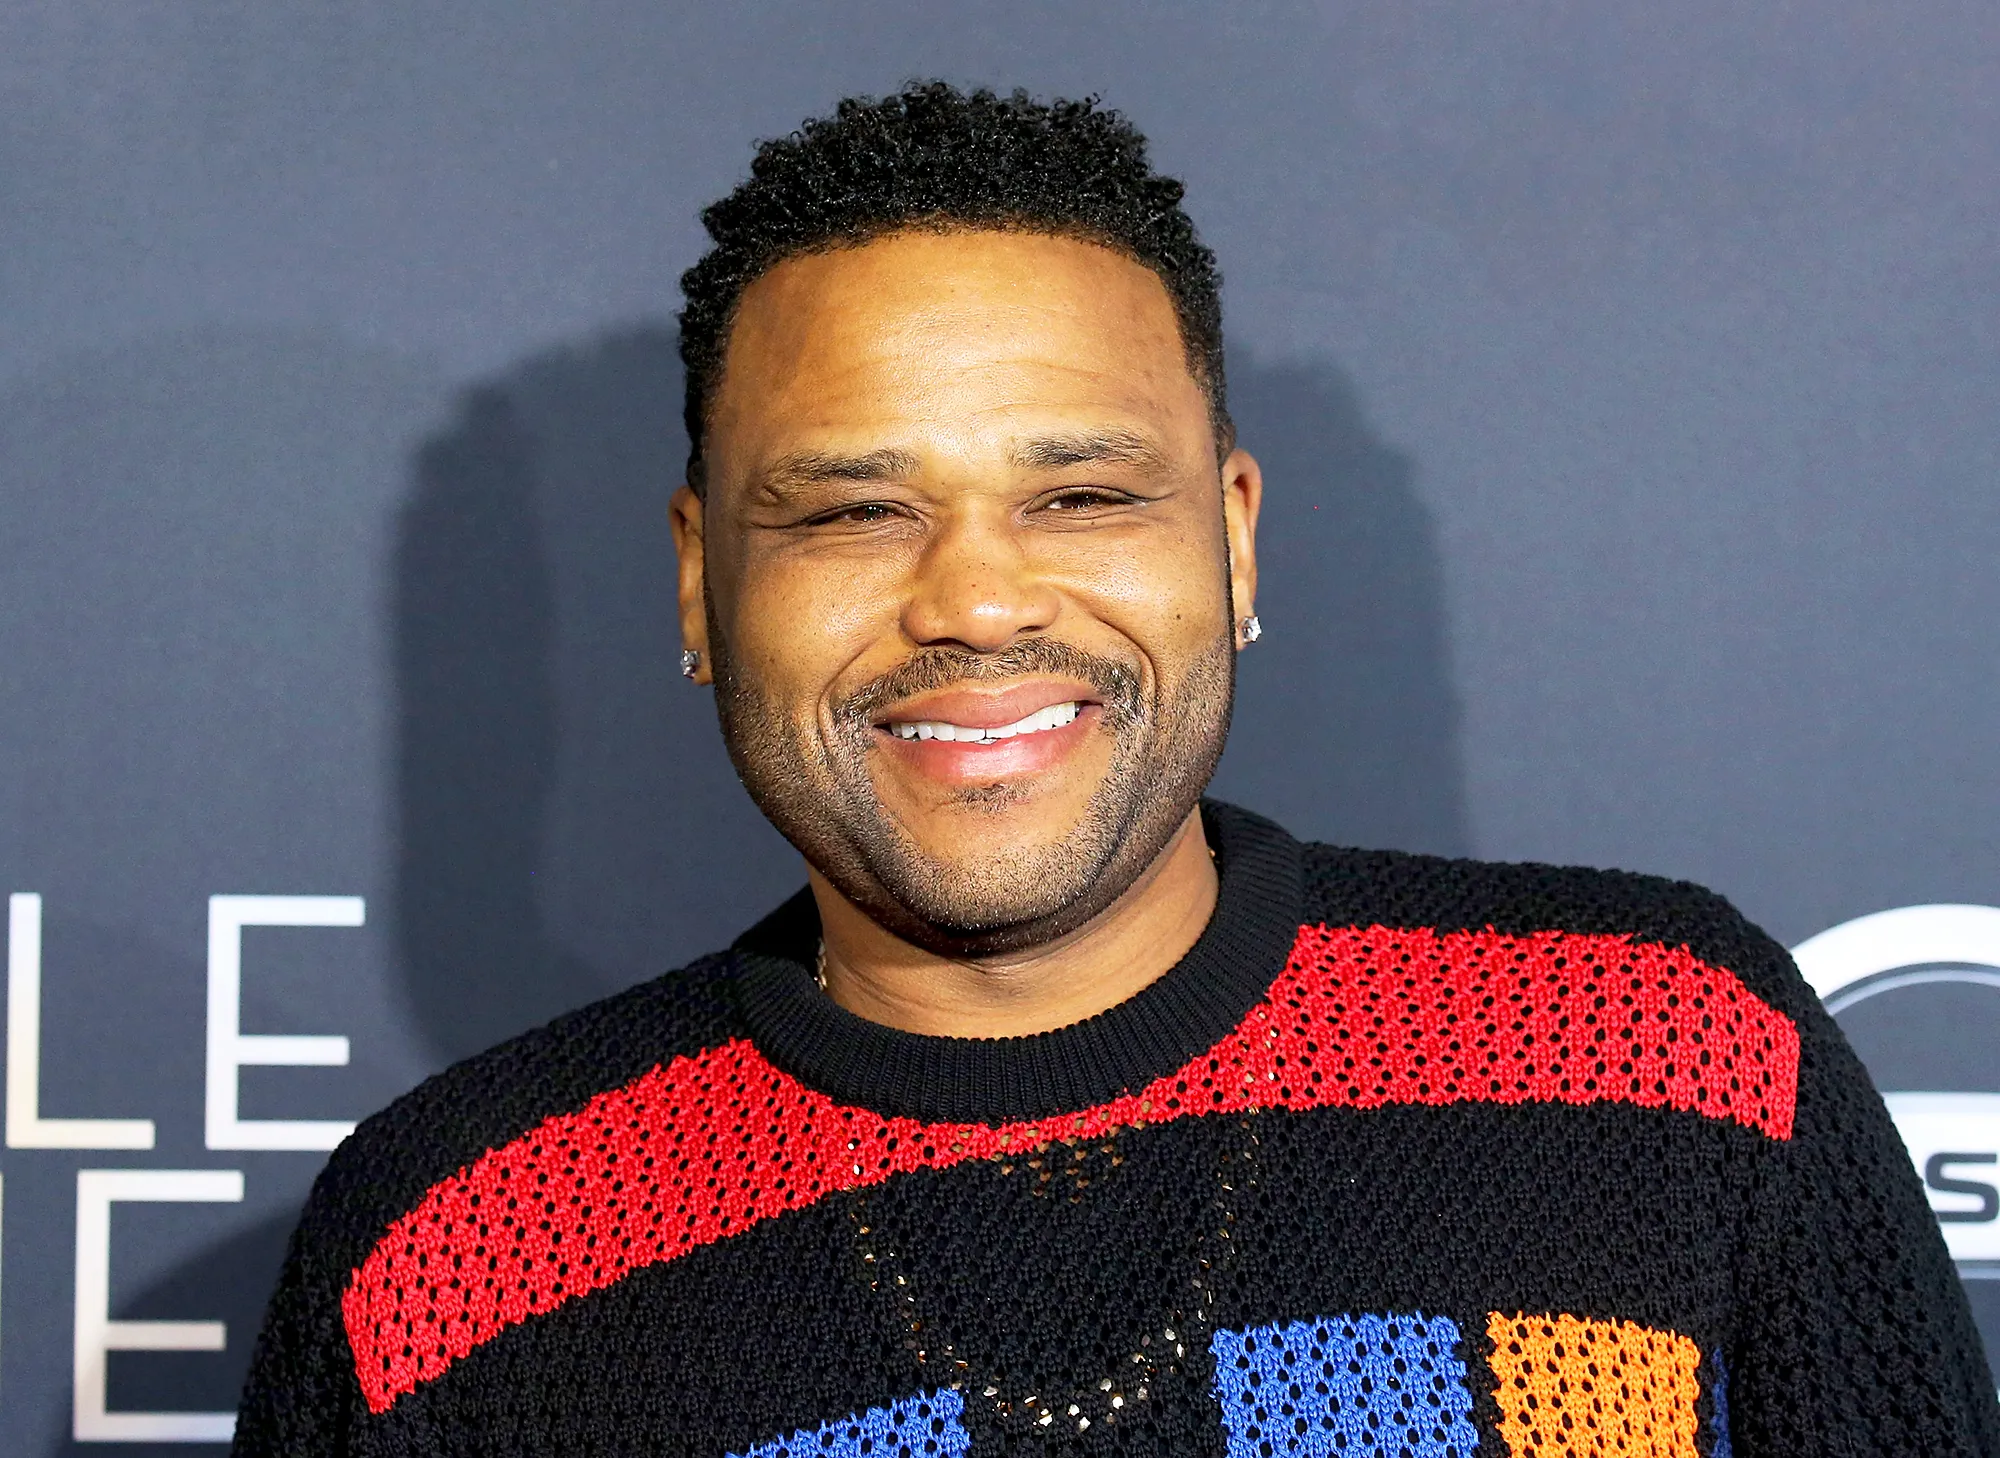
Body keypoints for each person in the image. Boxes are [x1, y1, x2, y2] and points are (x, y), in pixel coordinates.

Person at [232, 84, 1998, 1458]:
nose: (980, 597)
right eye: (855, 509)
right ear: (704, 581)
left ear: (1233, 540)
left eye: (1082, 495)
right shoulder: (456, 1257)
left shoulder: (1669, 1055)